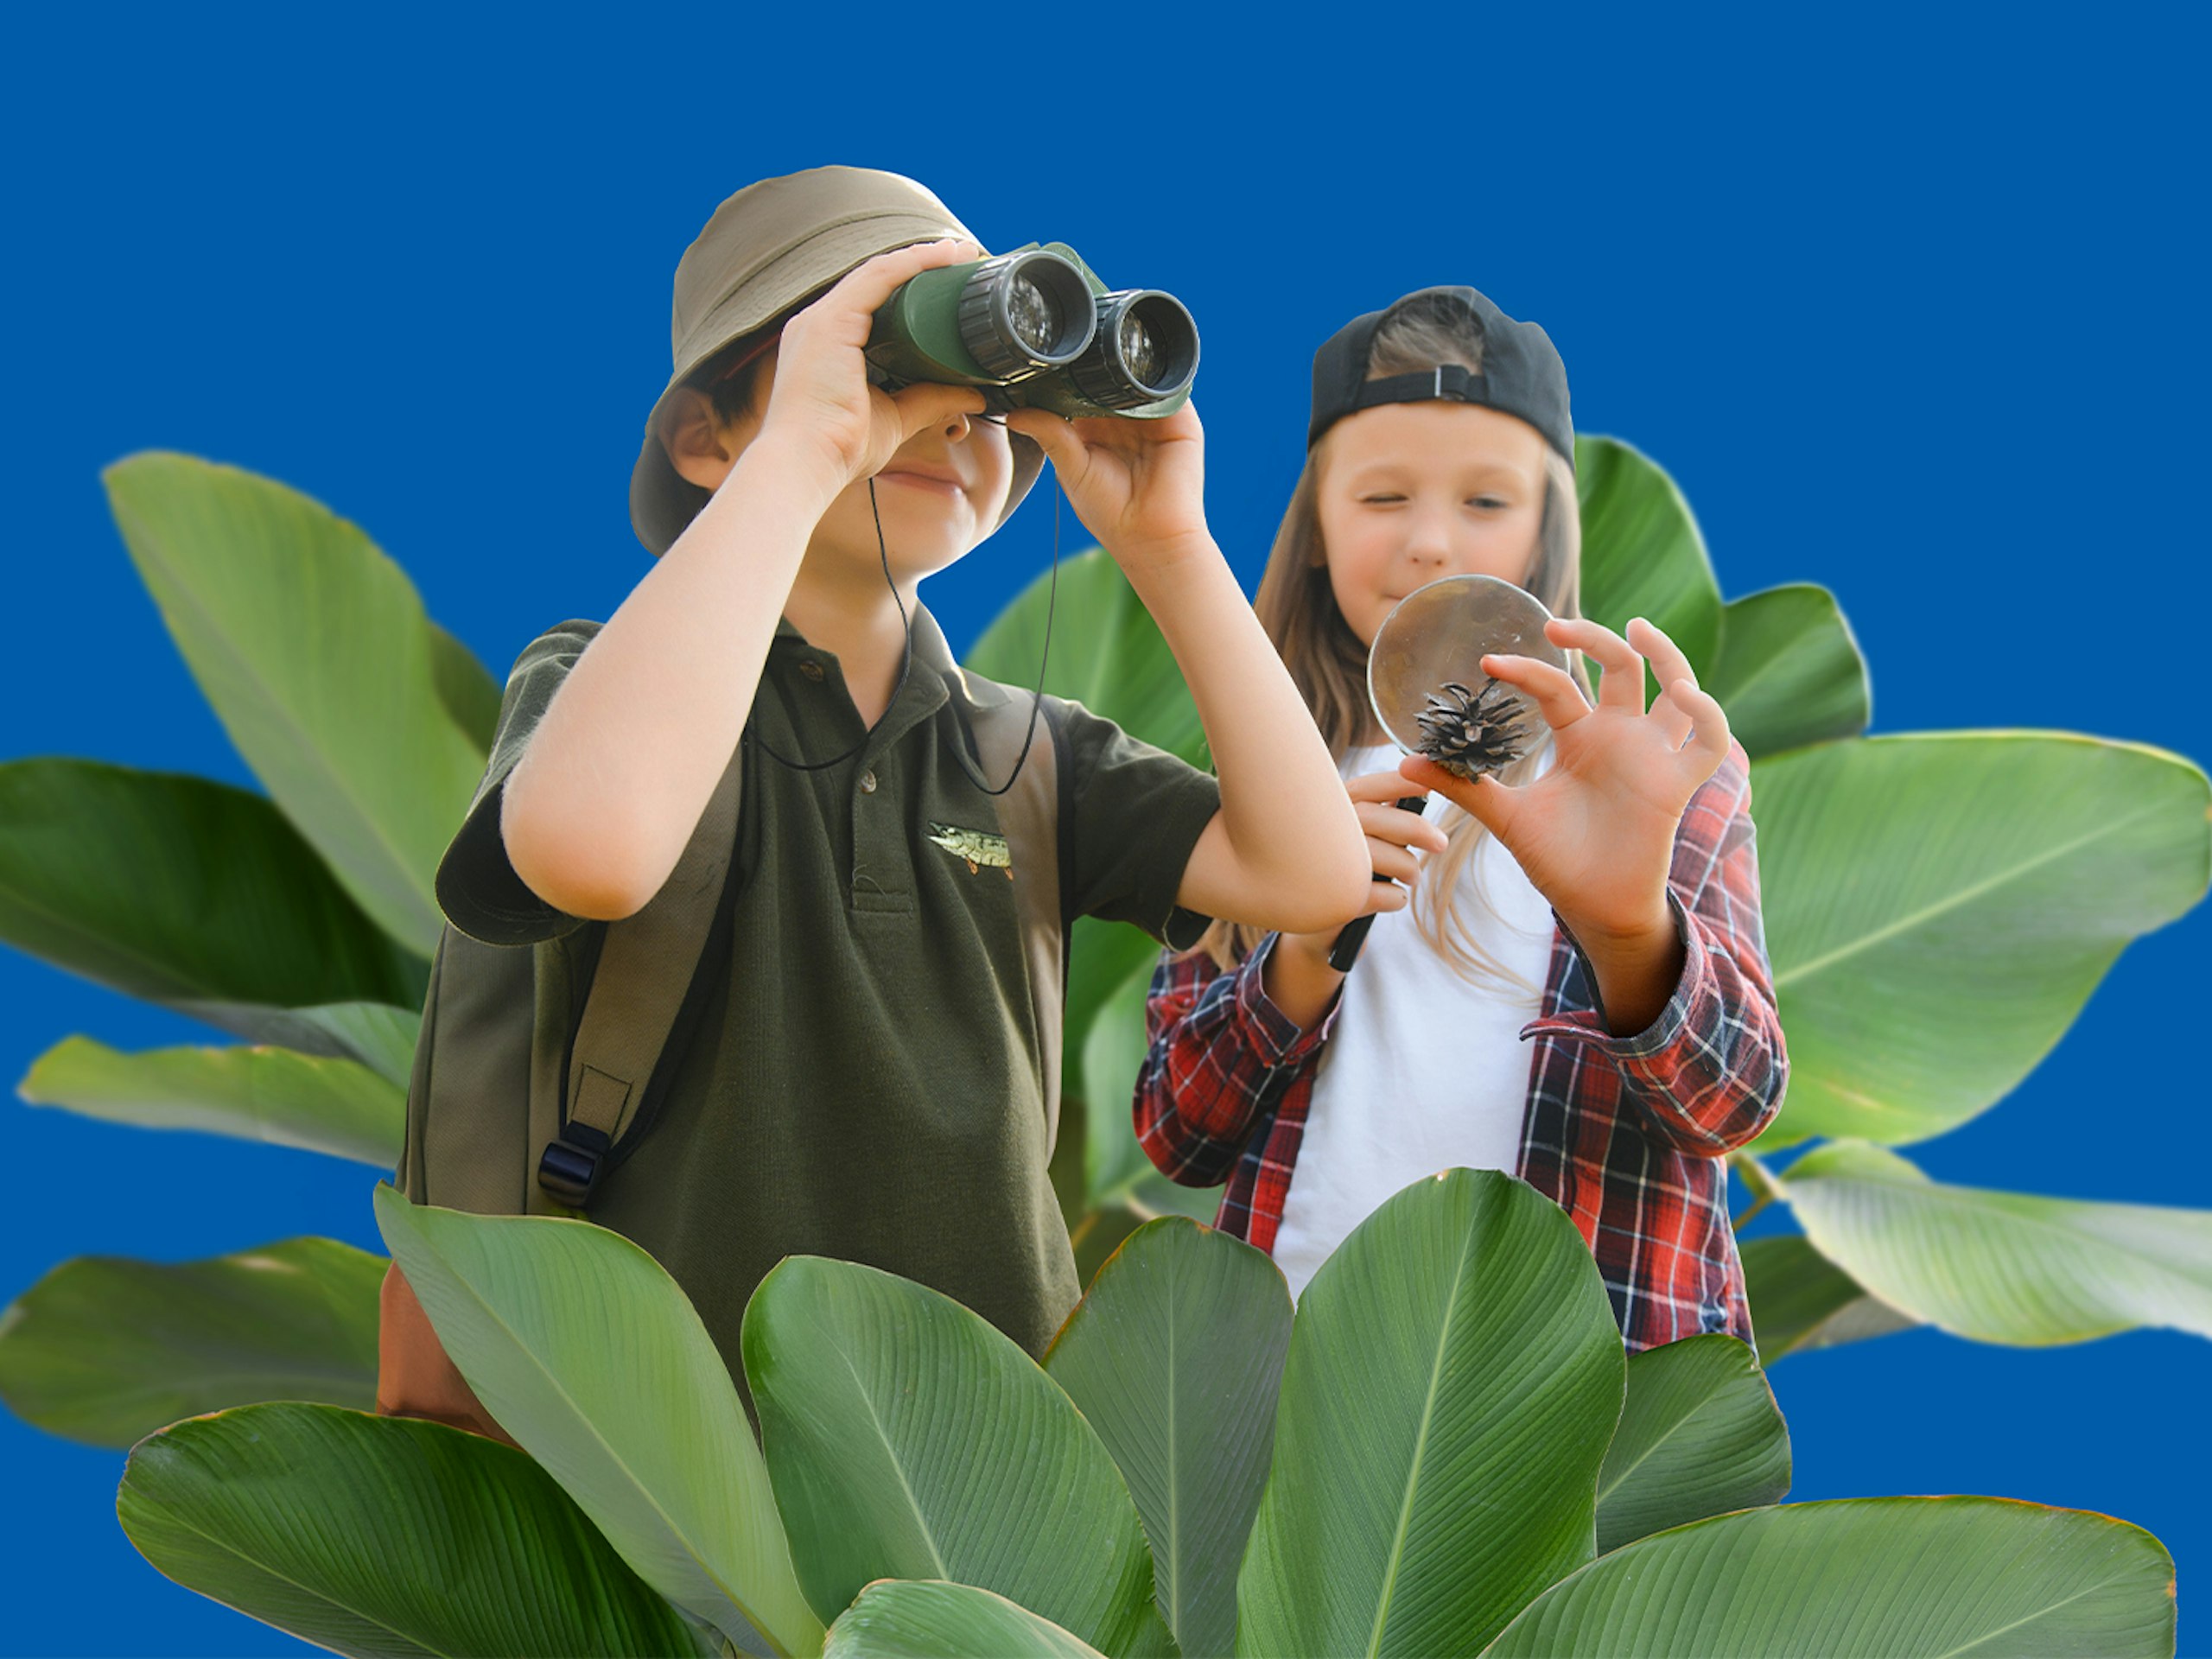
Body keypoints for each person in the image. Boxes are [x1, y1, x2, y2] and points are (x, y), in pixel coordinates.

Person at [399, 166, 1370, 1402]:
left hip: (995, 1470)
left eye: (987, 405)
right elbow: (590, 846)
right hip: (691, 1467)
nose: (948, 424)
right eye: (887, 371)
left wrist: (1167, 542)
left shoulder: (1026, 752)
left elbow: (1314, 874)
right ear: (710, 436)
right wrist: (807, 450)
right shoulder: (607, 687)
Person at [1132, 286, 1788, 1349]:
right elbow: (1176, 1132)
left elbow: (1736, 1103)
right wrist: (1306, 940)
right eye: (1382, 498)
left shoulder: (1659, 784)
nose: (1431, 542)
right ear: (1313, 530)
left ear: (1543, 535)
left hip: (1575, 1406)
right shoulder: (1261, 785)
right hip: (1295, 1393)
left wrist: (1630, 928)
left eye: (1485, 502)